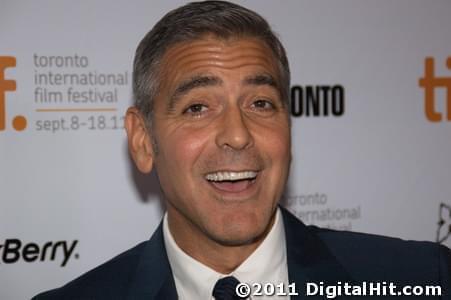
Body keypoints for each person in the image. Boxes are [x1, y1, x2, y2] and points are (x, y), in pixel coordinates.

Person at [33, 1, 450, 299]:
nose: (237, 135)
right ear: (143, 140)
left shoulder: (421, 278)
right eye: (197, 108)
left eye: (260, 104)